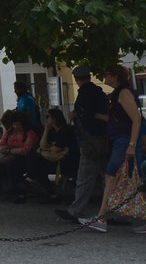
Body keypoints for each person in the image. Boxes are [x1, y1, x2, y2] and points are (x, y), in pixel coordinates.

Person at [81, 65, 144, 232]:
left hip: (124, 142)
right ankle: (102, 218)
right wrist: (94, 115)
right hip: (120, 141)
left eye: (107, 75)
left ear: (116, 77)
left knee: (112, 176)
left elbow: (136, 120)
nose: (104, 79)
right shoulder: (119, 93)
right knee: (125, 178)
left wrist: (131, 145)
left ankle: (101, 218)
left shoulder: (123, 93)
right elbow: (117, 118)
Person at [55, 65, 109, 224]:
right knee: (109, 176)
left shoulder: (84, 95)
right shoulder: (99, 93)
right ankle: (118, 208)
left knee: (85, 177)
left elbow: (86, 117)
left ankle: (75, 211)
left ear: (77, 79)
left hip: (90, 141)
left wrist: (75, 116)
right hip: (103, 139)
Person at [0, 111, 39, 203]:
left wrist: (10, 150)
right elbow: (2, 143)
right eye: (14, 125)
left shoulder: (29, 134)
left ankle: (20, 194)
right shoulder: (10, 132)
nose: (15, 127)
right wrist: (3, 148)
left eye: (18, 125)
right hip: (8, 154)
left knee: (13, 166)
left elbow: (26, 149)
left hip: (23, 158)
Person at [26, 108, 78, 200]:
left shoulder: (66, 131)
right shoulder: (52, 131)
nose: (46, 119)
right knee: (34, 157)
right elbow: (42, 145)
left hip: (66, 161)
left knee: (39, 165)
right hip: (53, 158)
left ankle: (49, 191)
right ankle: (47, 190)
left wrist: (44, 150)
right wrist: (46, 130)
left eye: (48, 117)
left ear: (54, 118)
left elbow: (56, 149)